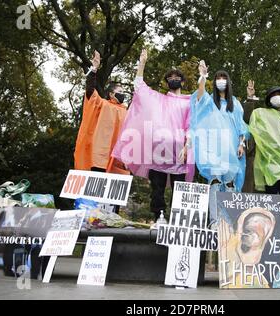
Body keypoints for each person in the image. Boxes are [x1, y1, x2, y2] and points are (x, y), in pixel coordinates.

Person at [112, 49, 194, 224]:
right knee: (157, 188)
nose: (173, 79)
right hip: (158, 152)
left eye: (176, 76)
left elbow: (191, 125)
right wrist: (141, 63)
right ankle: (159, 217)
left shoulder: (189, 102)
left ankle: (179, 222)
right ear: (166, 83)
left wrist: (187, 145)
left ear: (182, 81)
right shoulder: (158, 99)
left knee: (180, 189)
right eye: (170, 77)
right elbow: (139, 87)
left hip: (179, 153)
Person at [190, 60, 250, 229]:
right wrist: (202, 76)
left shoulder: (235, 104)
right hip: (213, 150)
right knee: (216, 182)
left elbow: (241, 126)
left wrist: (241, 144)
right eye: (218, 77)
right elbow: (199, 97)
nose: (221, 80)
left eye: (224, 77)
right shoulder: (210, 102)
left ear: (228, 82)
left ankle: (229, 222)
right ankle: (215, 221)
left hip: (231, 150)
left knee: (230, 183)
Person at [74, 51, 129, 213]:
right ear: (111, 93)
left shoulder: (127, 111)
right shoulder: (103, 104)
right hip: (100, 156)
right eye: (120, 90)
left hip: (118, 159)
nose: (123, 93)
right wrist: (94, 69)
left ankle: (112, 220)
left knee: (114, 195)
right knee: (95, 192)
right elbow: (90, 92)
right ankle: (90, 217)